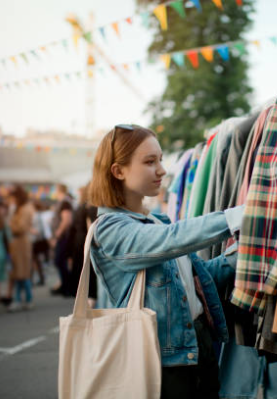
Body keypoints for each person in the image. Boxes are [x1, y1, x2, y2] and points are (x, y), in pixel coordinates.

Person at [85, 124, 243, 398]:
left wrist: (245, 252)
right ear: (118, 171)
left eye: (160, 159)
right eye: (149, 161)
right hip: (160, 363)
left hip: (197, 349)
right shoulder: (109, 229)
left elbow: (201, 280)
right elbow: (171, 239)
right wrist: (237, 217)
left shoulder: (157, 221)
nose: (161, 170)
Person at [7, 186, 36, 312]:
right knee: (19, 273)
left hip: (21, 242)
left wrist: (10, 224)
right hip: (19, 243)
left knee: (21, 273)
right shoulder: (23, 208)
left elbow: (21, 227)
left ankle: (24, 299)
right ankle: (21, 299)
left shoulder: (24, 209)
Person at [68, 184, 98, 298]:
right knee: (88, 271)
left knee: (82, 269)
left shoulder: (81, 206)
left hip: (79, 239)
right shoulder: (90, 207)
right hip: (85, 239)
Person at [50, 184, 74, 296]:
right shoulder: (63, 202)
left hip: (64, 237)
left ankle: (67, 286)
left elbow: (66, 220)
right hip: (63, 237)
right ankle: (65, 285)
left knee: (60, 261)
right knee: (59, 261)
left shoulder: (65, 203)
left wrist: (58, 233)